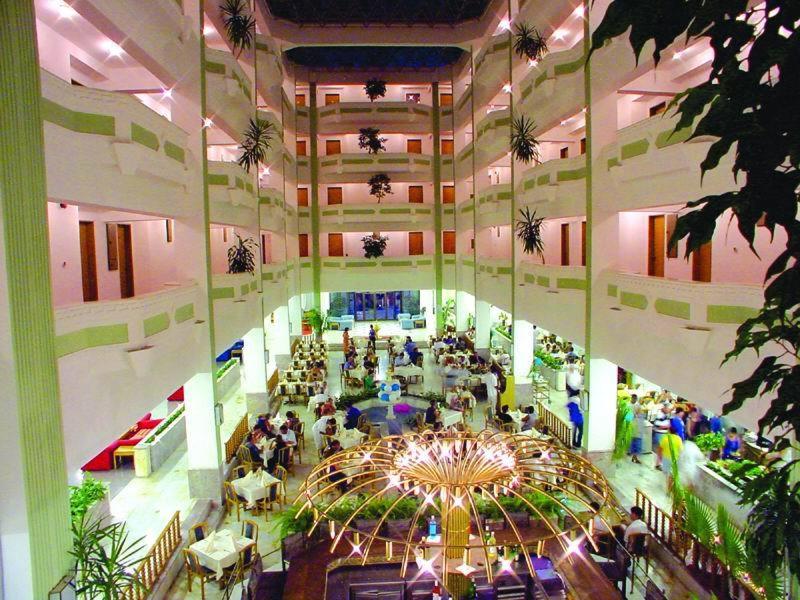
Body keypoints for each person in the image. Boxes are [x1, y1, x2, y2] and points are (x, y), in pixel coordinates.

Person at [630, 396, 646, 464]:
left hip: (637, 427)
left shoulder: (639, 406)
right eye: (642, 400)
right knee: (636, 443)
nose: (643, 401)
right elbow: (631, 416)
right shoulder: (634, 406)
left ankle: (634, 457)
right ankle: (635, 457)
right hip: (635, 428)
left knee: (635, 443)